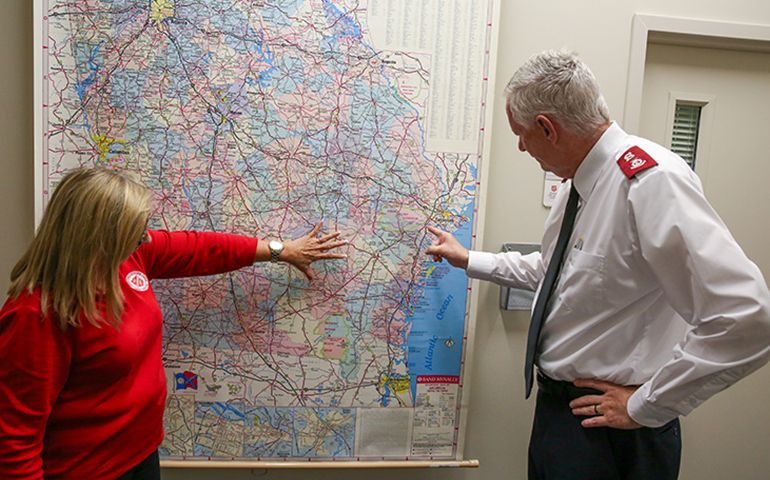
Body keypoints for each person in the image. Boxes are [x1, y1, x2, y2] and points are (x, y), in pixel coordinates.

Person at [426, 50, 770, 479]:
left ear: (547, 128)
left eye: (521, 134)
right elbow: (557, 274)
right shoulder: (580, 185)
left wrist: (647, 405)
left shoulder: (650, 181)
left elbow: (747, 316)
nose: (520, 146)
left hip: (615, 435)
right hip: (562, 418)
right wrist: (471, 260)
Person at [0, 167, 347, 479]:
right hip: (89, 470)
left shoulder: (127, 257)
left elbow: (200, 249)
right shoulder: (37, 315)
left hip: (141, 455)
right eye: (134, 232)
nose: (146, 238)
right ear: (96, 238)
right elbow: (15, 440)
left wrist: (280, 250)